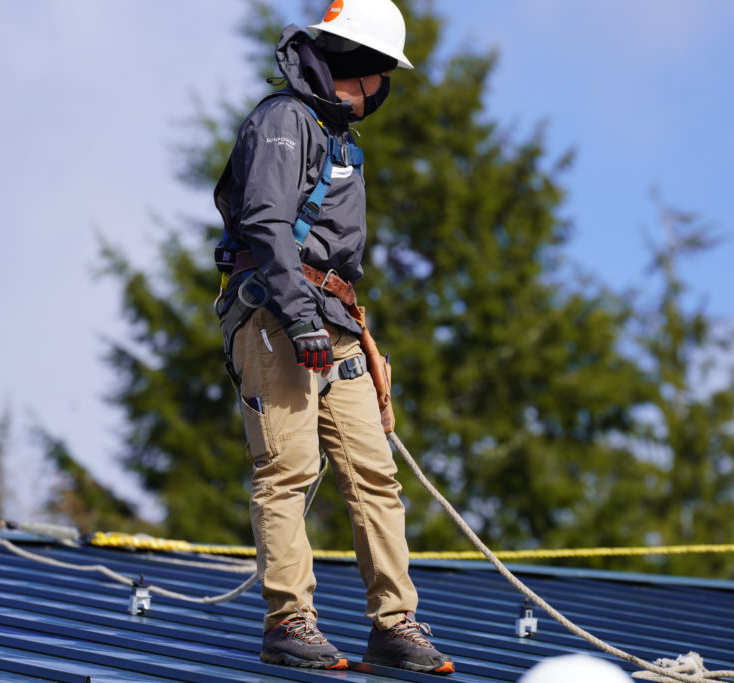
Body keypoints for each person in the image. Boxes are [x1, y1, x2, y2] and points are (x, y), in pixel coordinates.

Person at [212, 0, 454, 674]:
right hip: (278, 315)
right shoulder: (285, 121)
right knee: (287, 470)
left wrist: (336, 325)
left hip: (335, 325)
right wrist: (297, 314)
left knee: (374, 474)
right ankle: (290, 620)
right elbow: (264, 223)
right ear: (363, 68)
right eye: (381, 76)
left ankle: (394, 622)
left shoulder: (341, 138)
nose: (381, 91)